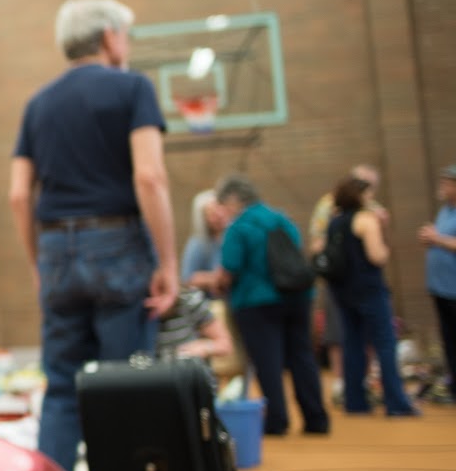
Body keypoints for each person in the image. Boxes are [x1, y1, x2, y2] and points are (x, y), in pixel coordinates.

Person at [8, 0, 177, 471]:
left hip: (55, 248)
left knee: (62, 387)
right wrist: (168, 263)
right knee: (123, 384)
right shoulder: (133, 88)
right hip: (116, 243)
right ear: (109, 37)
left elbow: (19, 195)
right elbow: (150, 177)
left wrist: (37, 264)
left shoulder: (38, 104)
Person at [215, 175, 330, 435]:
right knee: (302, 356)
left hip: (257, 302)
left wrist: (216, 282)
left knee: (268, 361)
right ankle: (316, 419)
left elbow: (230, 268)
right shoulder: (282, 219)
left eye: (223, 203)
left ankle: (277, 420)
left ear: (233, 200)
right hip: (298, 296)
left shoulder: (239, 227)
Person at [326, 176, 419, 417]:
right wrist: (384, 230)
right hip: (369, 290)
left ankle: (355, 401)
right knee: (385, 343)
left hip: (343, 292)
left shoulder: (334, 222)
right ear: (360, 196)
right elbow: (377, 256)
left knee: (353, 344)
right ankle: (396, 402)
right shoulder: (366, 219)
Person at [309, 164, 388, 378]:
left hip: (343, 284)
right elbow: (377, 255)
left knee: (352, 337)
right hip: (358, 283)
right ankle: (389, 394)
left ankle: (356, 386)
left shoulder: (341, 218)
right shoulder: (361, 216)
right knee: (373, 337)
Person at [418, 164, 456, 401]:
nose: (442, 186)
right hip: (441, 288)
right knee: (449, 340)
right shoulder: (445, 210)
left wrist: (437, 238)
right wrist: (432, 238)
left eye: (447, 183)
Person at [154, 285, 234, 363]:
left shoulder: (189, 301)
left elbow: (225, 344)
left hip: (188, 367)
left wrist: (204, 348)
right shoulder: (147, 312)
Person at [180, 189, 228, 294]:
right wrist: (213, 279)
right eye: (212, 214)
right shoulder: (197, 244)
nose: (219, 216)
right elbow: (187, 278)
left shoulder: (235, 238)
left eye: (220, 209)